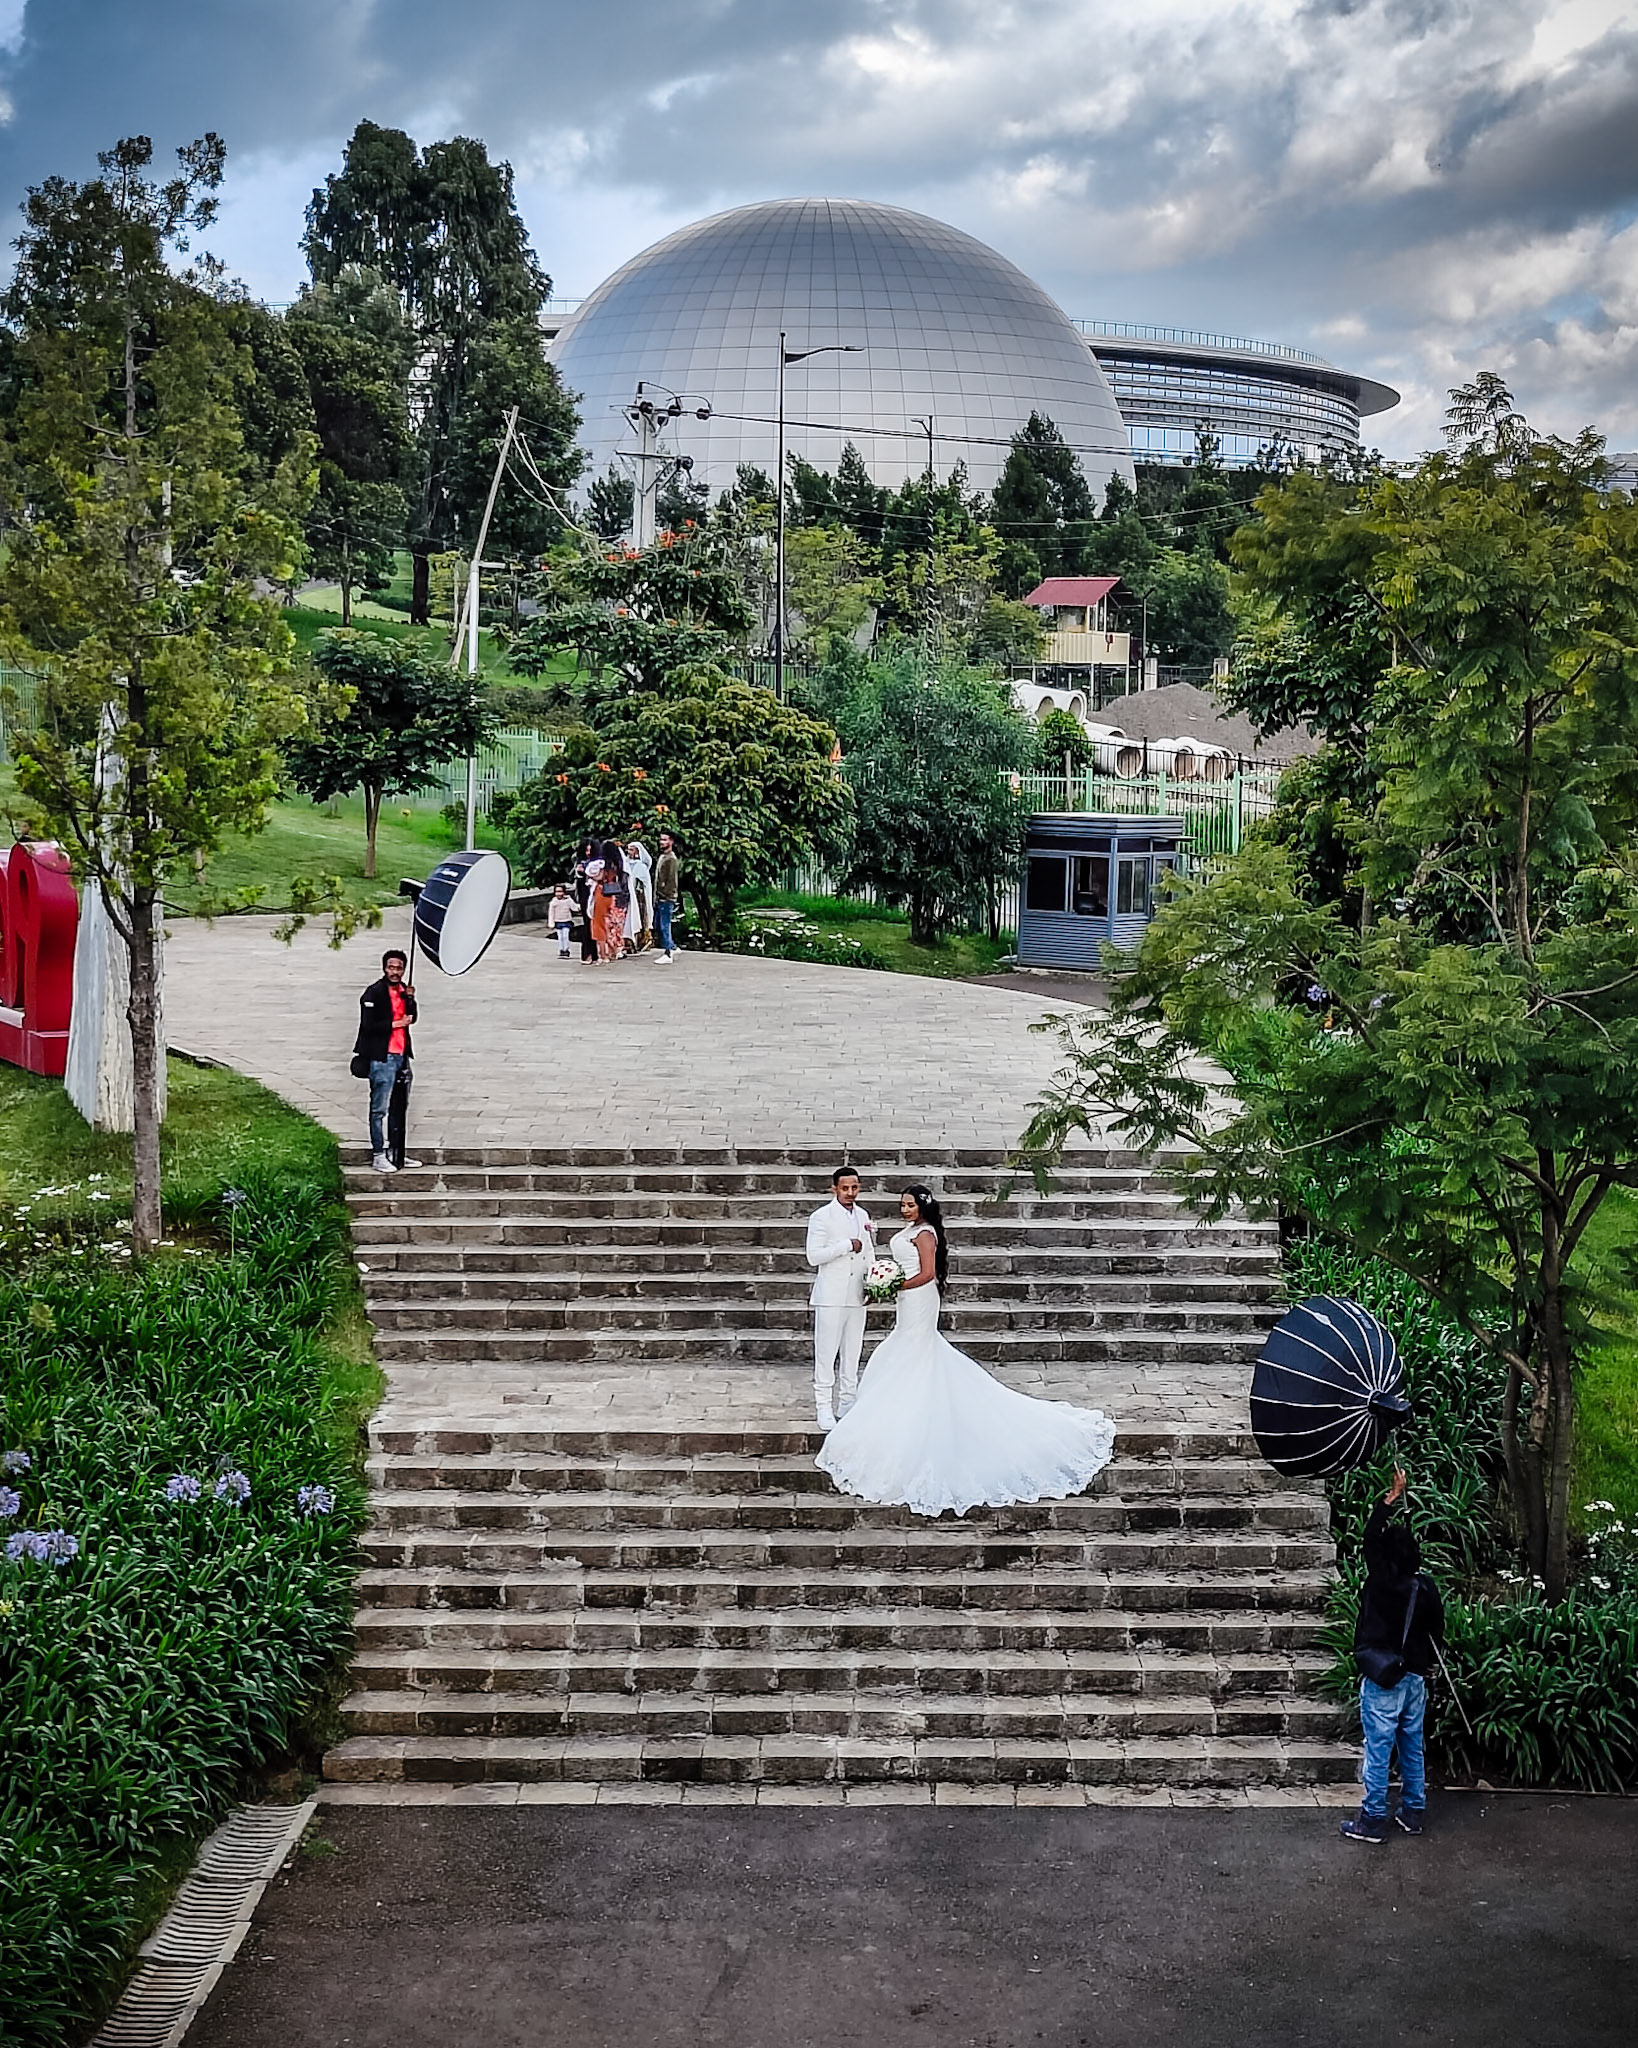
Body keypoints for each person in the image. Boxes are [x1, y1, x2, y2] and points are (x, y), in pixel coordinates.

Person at [817, 1185, 1116, 1515]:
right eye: (902, 1205)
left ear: (923, 1208)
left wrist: (893, 1285)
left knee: (910, 1349)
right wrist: (887, 1283)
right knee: (902, 1350)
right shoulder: (910, 1231)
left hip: (920, 1298)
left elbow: (928, 1274)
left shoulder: (926, 1234)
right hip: (907, 1298)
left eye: (910, 1206)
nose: (905, 1210)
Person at [1341, 1467, 1445, 1844]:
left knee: (1379, 1746)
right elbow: (1436, 1633)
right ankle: (1413, 1811)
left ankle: (1371, 1819)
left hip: (1383, 1676)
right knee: (1411, 1743)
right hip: (1414, 1678)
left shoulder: (1381, 1581)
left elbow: (1369, 1538)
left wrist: (1390, 1498)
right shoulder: (1426, 1587)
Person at [805, 1163, 874, 1430]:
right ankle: (823, 1405)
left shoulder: (863, 1215)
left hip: (856, 1293)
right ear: (834, 1188)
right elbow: (814, 1256)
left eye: (854, 1187)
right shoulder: (821, 1217)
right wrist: (845, 1246)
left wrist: (872, 1282)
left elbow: (868, 1252)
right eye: (845, 1188)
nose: (850, 1192)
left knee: (852, 1351)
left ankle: (848, 1401)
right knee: (826, 1352)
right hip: (831, 1294)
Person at [353, 948, 422, 1174]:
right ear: (384, 968)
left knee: (399, 1107)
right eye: (391, 967)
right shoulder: (373, 993)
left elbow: (413, 1018)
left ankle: (396, 1151)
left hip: (401, 1056)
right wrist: (395, 1024)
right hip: (382, 1057)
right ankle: (378, 1153)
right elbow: (368, 1026)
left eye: (399, 968)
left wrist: (410, 998)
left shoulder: (403, 991)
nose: (395, 971)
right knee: (379, 1108)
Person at [588, 838, 629, 964]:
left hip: (602, 893)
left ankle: (603, 955)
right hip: (614, 896)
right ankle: (614, 950)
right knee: (613, 924)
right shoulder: (619, 865)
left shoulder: (604, 865)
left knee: (599, 924)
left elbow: (598, 877)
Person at [652, 830, 680, 962]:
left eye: (665, 840)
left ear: (671, 841)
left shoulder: (671, 859)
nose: (662, 842)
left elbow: (671, 880)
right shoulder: (663, 856)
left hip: (666, 897)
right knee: (659, 924)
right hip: (660, 896)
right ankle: (672, 946)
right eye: (661, 840)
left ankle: (668, 952)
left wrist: (666, 894)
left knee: (664, 925)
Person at [624, 832, 654, 952]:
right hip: (628, 897)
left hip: (639, 898)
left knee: (640, 919)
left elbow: (643, 883)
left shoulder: (641, 866)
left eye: (631, 850)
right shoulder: (626, 863)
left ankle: (641, 942)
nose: (629, 852)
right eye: (628, 849)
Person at [572, 839, 598, 964]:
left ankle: (596, 953)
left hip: (596, 896)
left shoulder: (598, 863)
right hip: (585, 896)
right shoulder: (580, 863)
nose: (588, 853)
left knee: (596, 924)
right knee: (587, 924)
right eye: (586, 850)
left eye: (590, 850)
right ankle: (587, 953)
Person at [548, 883, 574, 959]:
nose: (558, 894)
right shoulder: (553, 902)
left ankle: (566, 949)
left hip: (566, 921)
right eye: (557, 892)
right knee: (560, 937)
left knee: (566, 936)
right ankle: (561, 949)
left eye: (560, 891)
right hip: (558, 921)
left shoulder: (568, 900)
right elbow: (551, 913)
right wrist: (551, 923)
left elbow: (574, 907)